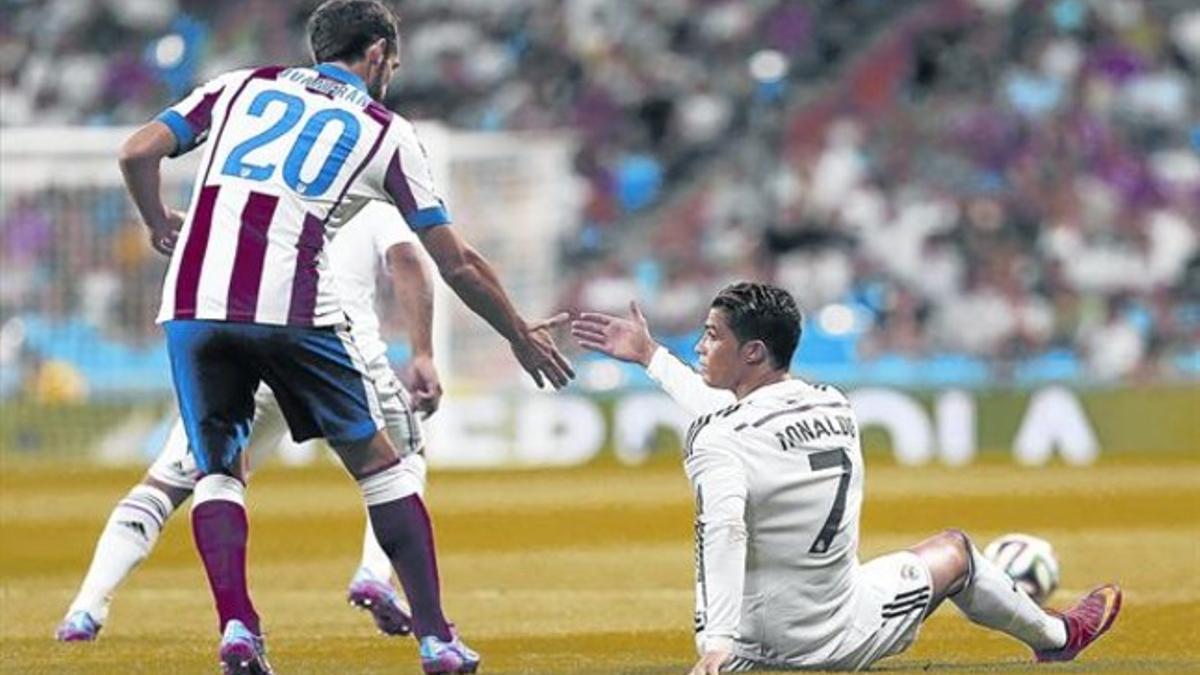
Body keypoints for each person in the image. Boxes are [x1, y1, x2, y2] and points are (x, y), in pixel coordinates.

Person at [117, 1, 574, 672]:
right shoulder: (386, 132)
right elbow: (454, 260)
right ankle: (437, 637)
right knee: (381, 465)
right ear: (378, 54)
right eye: (393, 59)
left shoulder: (239, 84)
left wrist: (159, 220)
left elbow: (135, 150)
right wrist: (518, 334)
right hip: (289, 307)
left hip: (191, 303)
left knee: (219, 469)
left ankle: (239, 627)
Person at [571, 282, 1121, 673]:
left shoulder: (719, 438)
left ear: (754, 352)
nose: (700, 347)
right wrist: (650, 356)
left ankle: (1056, 637)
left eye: (712, 337)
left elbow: (724, 529)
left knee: (946, 551)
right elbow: (736, 419)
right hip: (844, 630)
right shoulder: (834, 406)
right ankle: (1057, 636)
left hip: (751, 650)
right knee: (955, 551)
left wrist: (715, 643)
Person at [55, 200, 438, 643]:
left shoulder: (260, 190)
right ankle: (374, 573)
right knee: (400, 461)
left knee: (171, 481)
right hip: (339, 360)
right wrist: (423, 352)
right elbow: (407, 258)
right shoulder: (368, 187)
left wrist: (163, 220)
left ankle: (86, 607)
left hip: (254, 353)